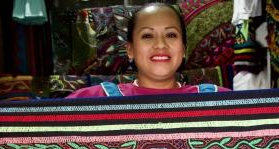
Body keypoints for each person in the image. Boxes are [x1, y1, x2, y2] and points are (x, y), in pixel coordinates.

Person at [67, 2, 229, 98]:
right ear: (130, 50)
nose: (160, 44)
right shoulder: (96, 98)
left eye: (171, 35)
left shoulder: (216, 98)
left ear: (183, 49)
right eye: (147, 36)